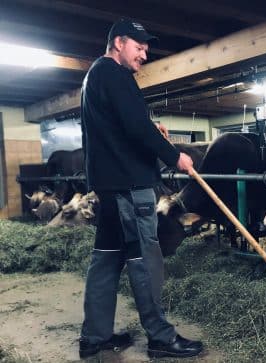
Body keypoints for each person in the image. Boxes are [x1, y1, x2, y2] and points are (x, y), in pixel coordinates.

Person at [78, 18, 203, 359]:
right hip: (129, 188)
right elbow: (133, 125)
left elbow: (122, 124)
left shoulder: (94, 77)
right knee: (145, 260)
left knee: (105, 261)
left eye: (146, 47)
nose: (145, 54)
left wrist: (151, 127)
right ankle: (161, 338)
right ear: (118, 42)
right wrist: (174, 156)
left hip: (109, 187)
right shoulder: (116, 75)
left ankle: (95, 337)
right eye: (139, 46)